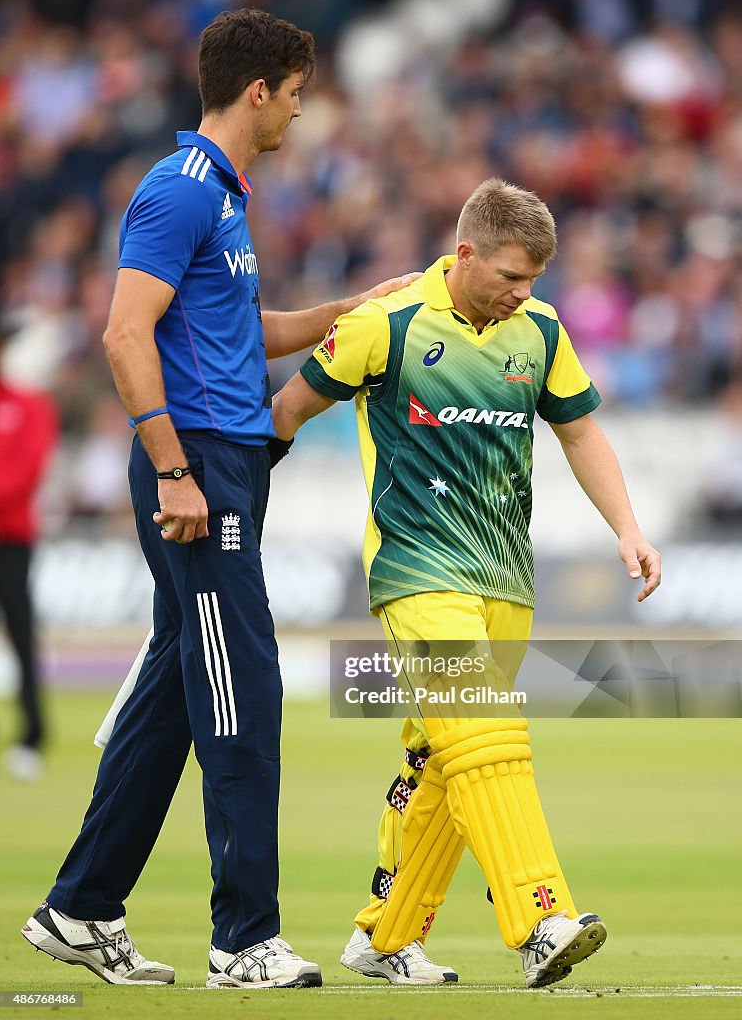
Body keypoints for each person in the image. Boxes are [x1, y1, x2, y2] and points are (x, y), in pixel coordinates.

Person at [21, 8, 415, 991]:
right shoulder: (182, 188)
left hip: (225, 463)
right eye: (293, 93)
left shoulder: (223, 200)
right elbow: (124, 333)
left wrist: (352, 310)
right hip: (194, 465)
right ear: (259, 89)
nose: (297, 110)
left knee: (174, 694)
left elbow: (238, 328)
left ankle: (80, 908)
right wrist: (170, 467)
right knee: (244, 686)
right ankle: (245, 937)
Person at [271, 177, 662, 988]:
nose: (524, 294)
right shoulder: (387, 323)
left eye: (533, 282)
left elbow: (581, 434)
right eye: (511, 277)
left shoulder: (542, 331)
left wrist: (626, 527)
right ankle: (539, 916)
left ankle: (384, 938)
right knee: (487, 733)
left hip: (505, 577)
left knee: (446, 757)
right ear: (465, 254)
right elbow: (284, 415)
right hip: (417, 568)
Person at [0, 318, 58, 781]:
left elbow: (30, 471)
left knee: (21, 634)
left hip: (11, 539)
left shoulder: (29, 405)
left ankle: (32, 732)